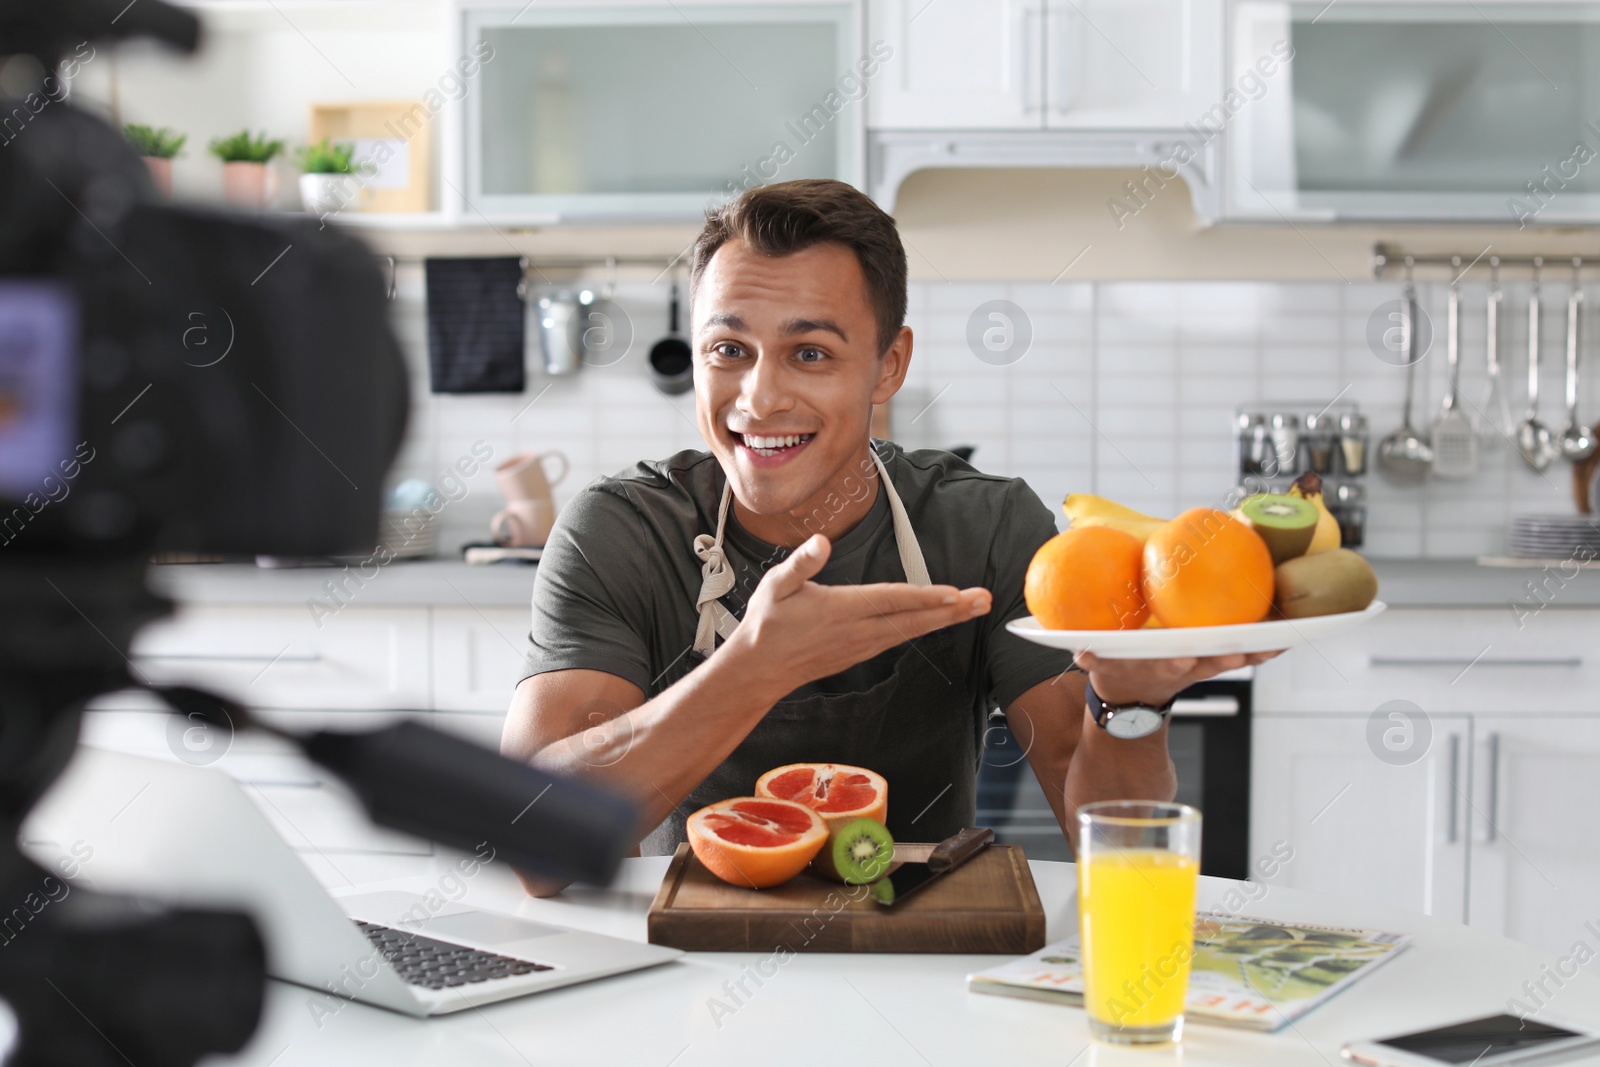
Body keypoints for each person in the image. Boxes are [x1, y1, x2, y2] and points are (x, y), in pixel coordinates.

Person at [503, 179, 1276, 895]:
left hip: (929, 965)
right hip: (692, 970)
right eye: (729, 351)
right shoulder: (622, 532)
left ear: (887, 367)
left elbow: (1112, 847)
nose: (760, 397)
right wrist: (754, 668)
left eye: (811, 353)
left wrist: (1131, 702)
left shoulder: (986, 528)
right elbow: (530, 844)